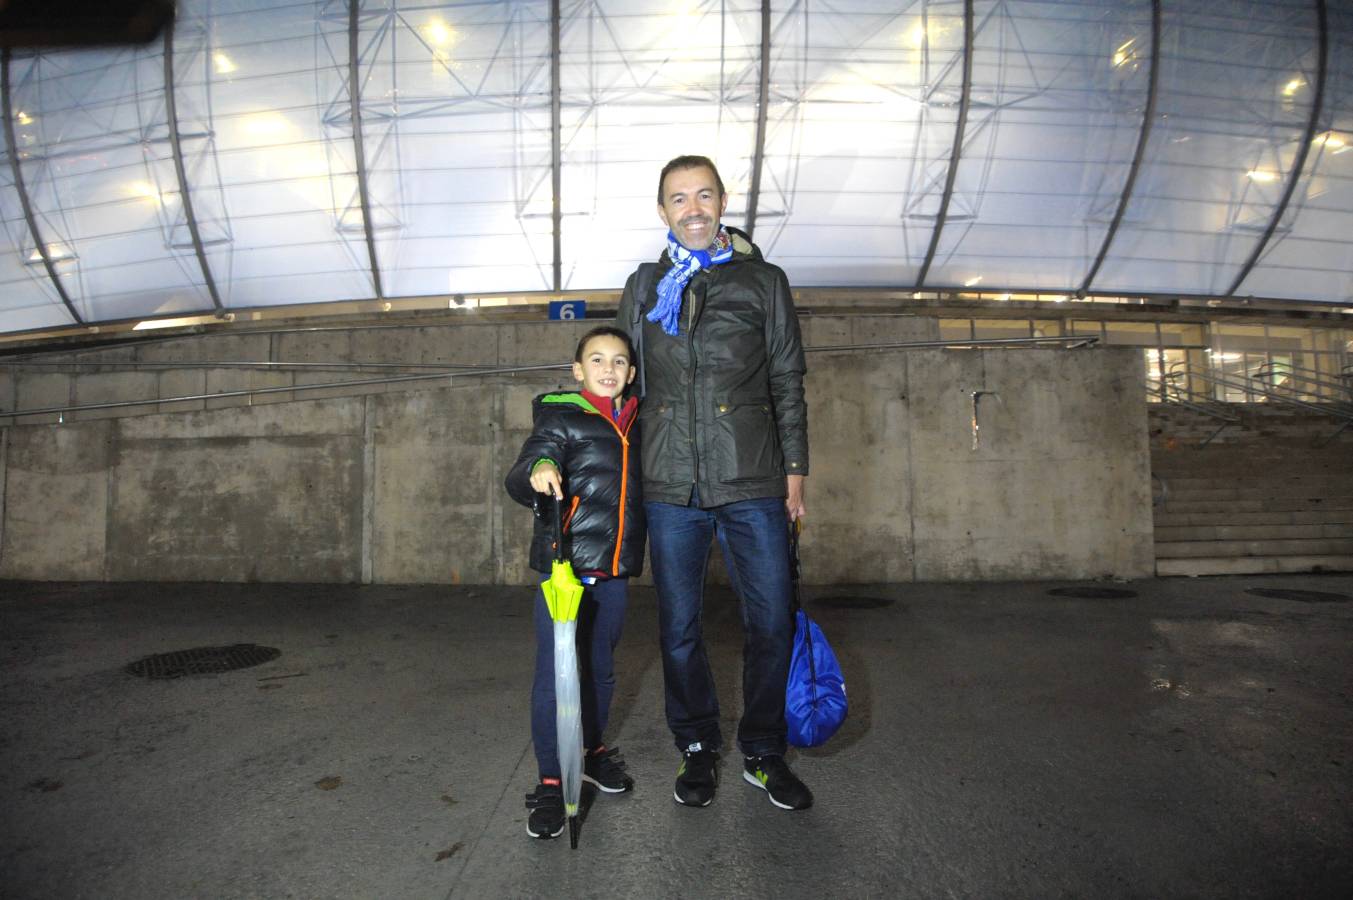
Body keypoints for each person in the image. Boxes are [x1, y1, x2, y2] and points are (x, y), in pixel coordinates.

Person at [615, 155, 812, 811]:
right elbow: (622, 386)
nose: (692, 208)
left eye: (703, 195)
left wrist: (794, 473)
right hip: (670, 482)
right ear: (662, 210)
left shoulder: (763, 282)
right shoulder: (644, 286)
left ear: (722, 201)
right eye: (678, 198)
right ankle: (696, 746)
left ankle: (761, 749)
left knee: (771, 623)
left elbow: (786, 381)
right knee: (677, 628)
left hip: (752, 477)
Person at [504, 326, 646, 839]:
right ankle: (549, 781)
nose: (609, 369)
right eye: (597, 360)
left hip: (614, 571)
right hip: (565, 570)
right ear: (578, 370)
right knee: (555, 676)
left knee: (601, 671)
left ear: (630, 374)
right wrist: (539, 469)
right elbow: (524, 468)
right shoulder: (560, 416)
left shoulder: (637, 422)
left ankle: (591, 750)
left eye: (619, 361)